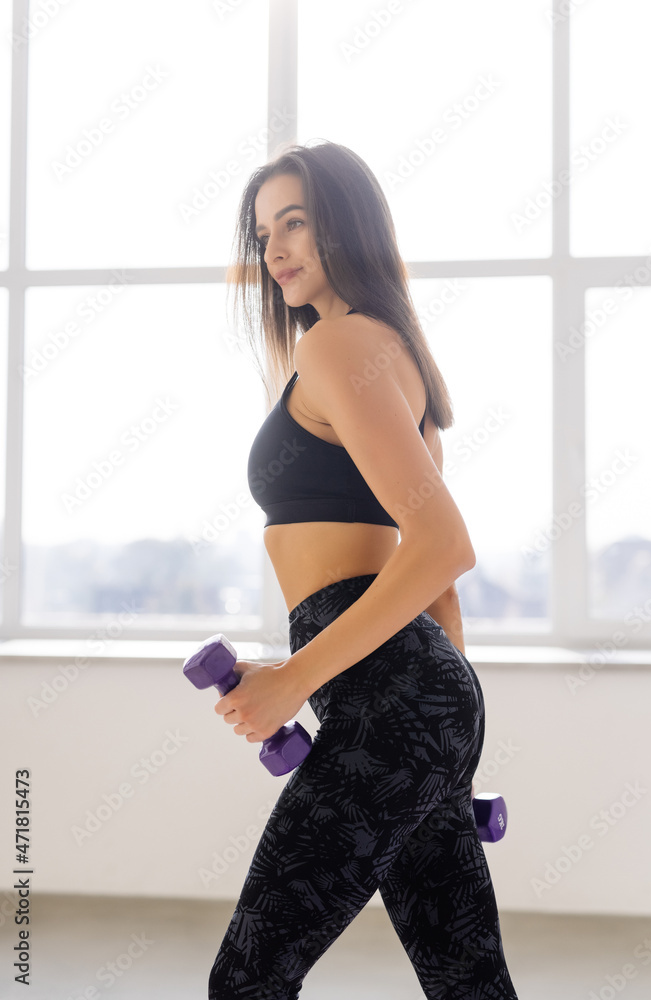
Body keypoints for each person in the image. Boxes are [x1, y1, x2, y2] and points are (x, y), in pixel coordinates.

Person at [208, 140, 519, 1000]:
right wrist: (447, 752)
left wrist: (291, 679)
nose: (274, 249)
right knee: (466, 979)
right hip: (415, 694)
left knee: (247, 978)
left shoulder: (338, 347)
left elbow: (442, 547)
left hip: (386, 699)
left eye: (296, 222)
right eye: (264, 230)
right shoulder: (391, 356)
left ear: (348, 225)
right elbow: (440, 593)